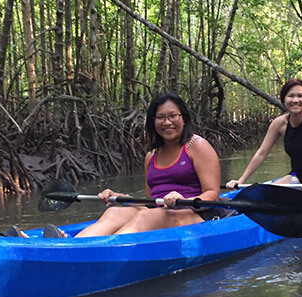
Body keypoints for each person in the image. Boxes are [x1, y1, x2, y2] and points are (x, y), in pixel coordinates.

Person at [74, 91, 225, 238]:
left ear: (183, 118)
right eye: (160, 117)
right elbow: (150, 201)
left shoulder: (198, 146)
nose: (167, 122)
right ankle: (73, 244)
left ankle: (103, 250)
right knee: (114, 212)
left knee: (149, 217)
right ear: (153, 122)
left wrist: (183, 201)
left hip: (197, 213)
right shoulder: (151, 155)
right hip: (158, 211)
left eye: (173, 116)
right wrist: (121, 197)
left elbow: (212, 195)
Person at [226, 78, 302, 193]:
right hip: (297, 175)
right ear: (284, 100)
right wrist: (241, 181)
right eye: (291, 96)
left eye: (300, 96)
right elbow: (261, 153)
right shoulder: (279, 123)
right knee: (266, 194)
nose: (295, 100)